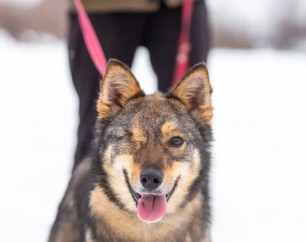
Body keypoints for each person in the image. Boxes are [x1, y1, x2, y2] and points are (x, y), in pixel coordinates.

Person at [68, 0, 210, 169]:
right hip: (102, 6)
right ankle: (84, 195)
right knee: (98, 124)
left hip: (178, 7)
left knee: (189, 122)